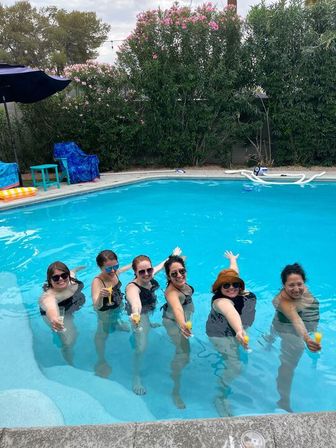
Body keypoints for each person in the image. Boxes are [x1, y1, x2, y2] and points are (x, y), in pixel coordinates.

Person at [206, 251, 256, 416]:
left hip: (233, 331)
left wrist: (233, 260)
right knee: (235, 366)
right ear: (220, 288)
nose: (231, 287)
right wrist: (240, 331)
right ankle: (220, 396)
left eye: (235, 284)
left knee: (235, 360)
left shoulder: (236, 289)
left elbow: (235, 271)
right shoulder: (221, 301)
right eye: (226, 285)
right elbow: (231, 314)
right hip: (219, 334)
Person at [126, 247, 181, 395]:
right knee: (141, 346)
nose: (146, 274)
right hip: (139, 313)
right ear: (135, 273)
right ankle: (135, 376)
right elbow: (135, 303)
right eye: (141, 272)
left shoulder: (150, 275)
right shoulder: (132, 288)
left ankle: (147, 324)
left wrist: (172, 256)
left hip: (147, 309)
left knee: (147, 326)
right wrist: (135, 314)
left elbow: (161, 265)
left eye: (149, 270)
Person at [271, 263, 320, 412]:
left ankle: (270, 337)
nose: (296, 289)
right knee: (288, 365)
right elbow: (295, 319)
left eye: (300, 284)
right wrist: (306, 338)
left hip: (300, 325)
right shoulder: (285, 301)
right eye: (291, 285)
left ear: (304, 282)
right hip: (290, 331)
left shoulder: (302, 290)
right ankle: (283, 401)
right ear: (284, 285)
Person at [91, 250, 132, 378]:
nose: (113, 271)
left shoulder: (115, 273)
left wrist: (135, 263)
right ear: (100, 267)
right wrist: (100, 297)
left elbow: (125, 268)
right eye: (109, 268)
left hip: (115, 305)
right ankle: (101, 360)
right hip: (105, 311)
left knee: (115, 319)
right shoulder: (97, 282)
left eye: (116, 266)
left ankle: (117, 324)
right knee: (102, 334)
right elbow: (96, 305)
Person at [162, 254, 193, 409]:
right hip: (173, 323)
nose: (179, 275)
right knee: (183, 354)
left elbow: (178, 265)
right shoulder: (172, 293)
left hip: (180, 322)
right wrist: (183, 326)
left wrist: (177, 257)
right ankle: (175, 390)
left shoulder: (181, 279)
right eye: (174, 274)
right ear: (168, 276)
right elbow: (177, 309)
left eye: (182, 271)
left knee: (185, 354)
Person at [39, 261, 85, 365]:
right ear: (50, 281)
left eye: (64, 275)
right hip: (58, 310)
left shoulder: (71, 280)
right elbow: (51, 308)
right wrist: (55, 319)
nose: (61, 279)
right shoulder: (48, 297)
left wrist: (77, 269)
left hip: (71, 304)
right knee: (69, 340)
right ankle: (68, 361)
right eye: (55, 278)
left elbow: (72, 272)